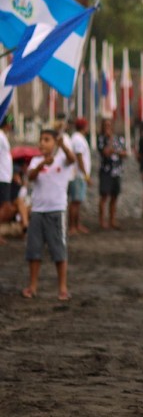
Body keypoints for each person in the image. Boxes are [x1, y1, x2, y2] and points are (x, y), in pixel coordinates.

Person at [23, 127, 78, 302]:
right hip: (38, 211)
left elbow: (72, 159)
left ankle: (62, 287)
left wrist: (65, 147)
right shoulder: (35, 161)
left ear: (55, 142)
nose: (42, 143)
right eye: (41, 140)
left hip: (56, 210)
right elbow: (30, 177)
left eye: (47, 139)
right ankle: (33, 286)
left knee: (58, 250)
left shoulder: (62, 160)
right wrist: (41, 165)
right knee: (34, 250)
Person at [96, 118, 128, 230]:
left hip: (117, 171)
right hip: (106, 171)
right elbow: (106, 153)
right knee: (104, 196)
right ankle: (101, 221)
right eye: (106, 125)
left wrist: (116, 151)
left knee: (115, 197)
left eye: (110, 125)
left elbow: (125, 153)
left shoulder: (119, 138)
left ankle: (112, 219)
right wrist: (109, 140)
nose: (108, 127)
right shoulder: (101, 139)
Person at [66, 117, 92, 234]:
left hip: (79, 174)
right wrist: (86, 175)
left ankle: (77, 224)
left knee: (78, 201)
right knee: (75, 201)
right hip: (78, 175)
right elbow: (79, 158)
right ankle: (72, 226)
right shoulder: (78, 139)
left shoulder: (78, 138)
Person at [0, 115, 14, 244]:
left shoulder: (4, 136)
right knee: (5, 207)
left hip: (5, 176)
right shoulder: (0, 136)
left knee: (5, 206)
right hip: (2, 177)